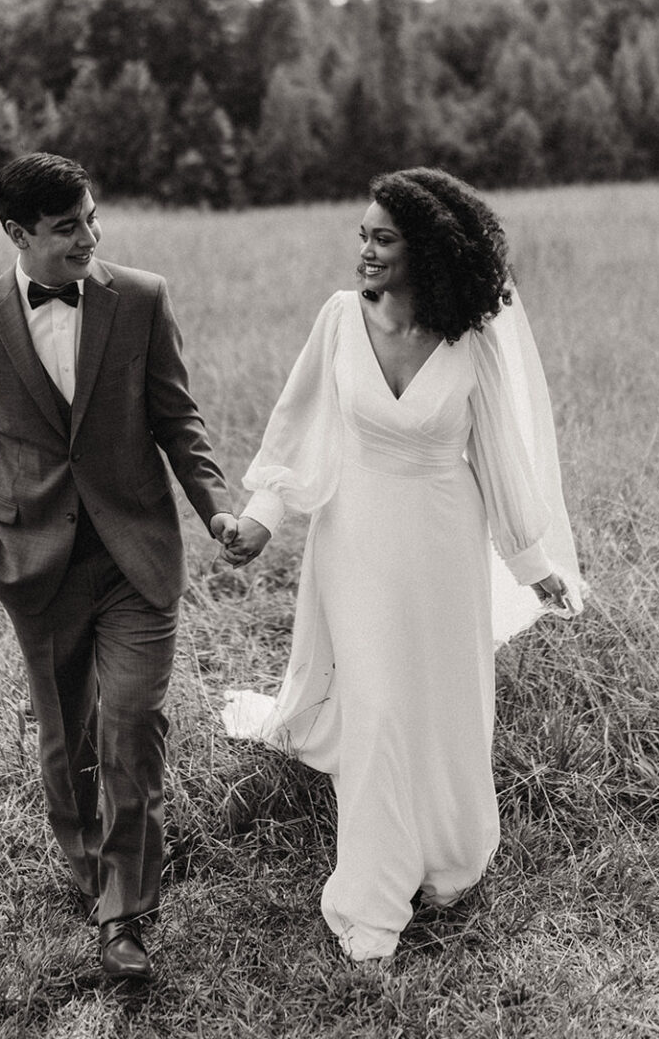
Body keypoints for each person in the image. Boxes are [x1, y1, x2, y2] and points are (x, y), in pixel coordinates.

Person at [221, 166, 583, 962]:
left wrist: (533, 562)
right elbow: (295, 427)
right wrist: (259, 520)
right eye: (363, 235)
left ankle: (450, 855)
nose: (365, 251)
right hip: (355, 538)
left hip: (444, 541)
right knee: (379, 709)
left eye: (383, 239)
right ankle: (373, 898)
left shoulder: (471, 336)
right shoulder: (339, 320)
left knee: (446, 704)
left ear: (427, 250)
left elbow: (500, 455)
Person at [0, 153, 236, 982]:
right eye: (69, 226)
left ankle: (125, 916)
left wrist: (213, 505)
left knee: (130, 725)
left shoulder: (141, 298)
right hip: (35, 564)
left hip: (136, 555)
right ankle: (91, 866)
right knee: (67, 737)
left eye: (92, 218)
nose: (90, 237)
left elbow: (180, 419)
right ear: (18, 233)